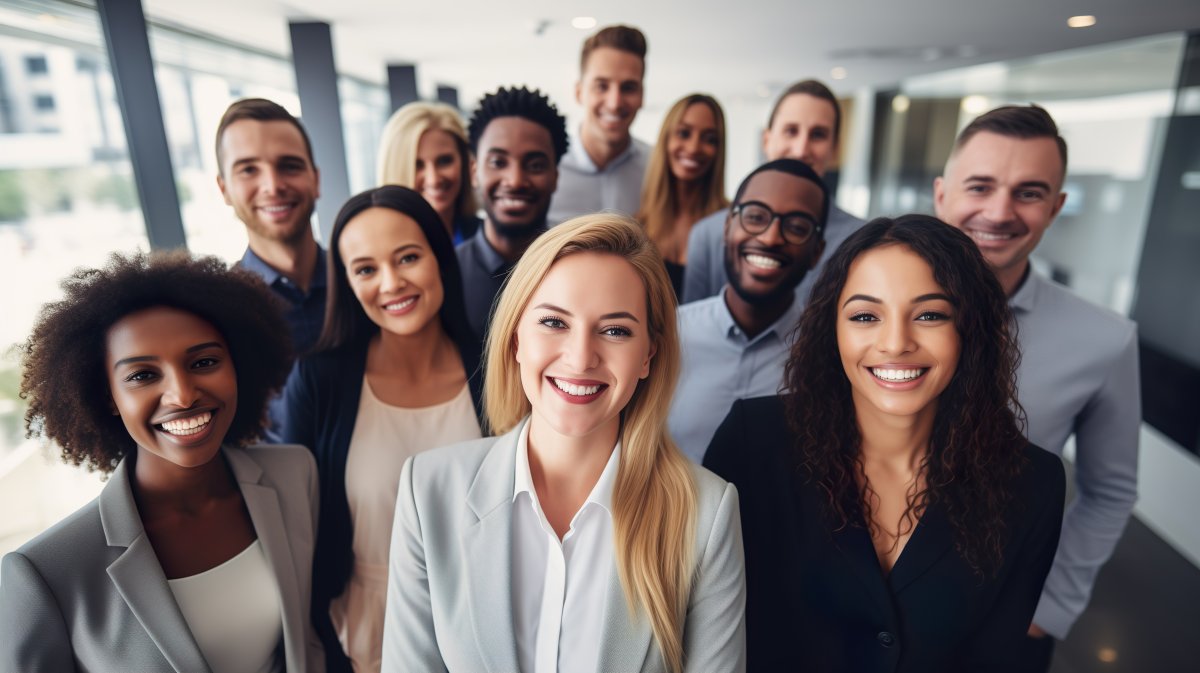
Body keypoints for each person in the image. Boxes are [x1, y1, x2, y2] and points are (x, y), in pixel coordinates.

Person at [383, 215, 746, 673]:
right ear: (516, 338)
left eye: (615, 330)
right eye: (554, 322)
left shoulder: (706, 513)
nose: (580, 357)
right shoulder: (428, 490)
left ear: (648, 355)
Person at [705, 215, 1066, 672]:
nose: (895, 343)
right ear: (831, 328)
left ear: (969, 331)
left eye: (930, 315)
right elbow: (702, 625)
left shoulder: (1033, 483)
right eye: (865, 316)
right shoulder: (752, 441)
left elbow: (997, 659)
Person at [1, 252, 323, 673]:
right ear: (107, 398)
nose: (183, 395)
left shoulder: (294, 476)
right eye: (142, 375)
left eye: (204, 362)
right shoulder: (46, 572)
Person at [933, 104, 1140, 670]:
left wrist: (1049, 606)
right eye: (980, 186)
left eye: (1029, 192)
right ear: (942, 194)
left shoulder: (1106, 340)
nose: (999, 212)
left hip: (999, 620)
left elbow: (1111, 492)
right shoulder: (868, 312)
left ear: (1056, 207)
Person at [279, 185, 484, 673]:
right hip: (363, 632)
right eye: (366, 269)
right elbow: (293, 528)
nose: (390, 283)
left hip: (484, 618)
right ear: (348, 282)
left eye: (408, 257)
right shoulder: (318, 380)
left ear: (440, 259)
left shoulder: (499, 369)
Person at [669, 159, 827, 462]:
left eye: (796, 227)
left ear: (816, 251)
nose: (770, 237)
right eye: (756, 217)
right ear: (728, 227)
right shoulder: (667, 334)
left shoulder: (826, 354)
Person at [683, 79, 865, 306]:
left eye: (818, 134)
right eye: (791, 131)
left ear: (835, 148)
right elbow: (690, 330)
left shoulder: (862, 240)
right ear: (767, 140)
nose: (801, 149)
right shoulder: (707, 235)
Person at [456, 85, 568, 343]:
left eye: (535, 165)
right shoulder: (444, 276)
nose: (516, 180)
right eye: (498, 162)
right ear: (474, 172)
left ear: (555, 177)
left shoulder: (579, 269)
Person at [216, 97, 326, 356]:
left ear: (316, 179)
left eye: (289, 166)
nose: (273, 186)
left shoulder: (367, 284)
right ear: (224, 190)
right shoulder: (217, 315)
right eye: (248, 170)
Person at [548, 24, 650, 226]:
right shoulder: (547, 167)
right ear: (579, 92)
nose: (615, 102)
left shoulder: (658, 169)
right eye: (601, 86)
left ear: (642, 96)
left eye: (628, 88)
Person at [636, 93, 729, 296]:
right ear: (666, 139)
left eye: (709, 139)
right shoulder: (637, 227)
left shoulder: (731, 225)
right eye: (684, 133)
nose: (694, 148)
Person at [377, 101, 481, 244]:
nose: (434, 180)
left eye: (444, 161)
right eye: (417, 165)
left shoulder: (492, 241)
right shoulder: (379, 245)